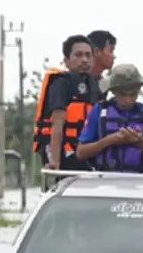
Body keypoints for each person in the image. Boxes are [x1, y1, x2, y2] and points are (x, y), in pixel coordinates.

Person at [76, 64, 143, 173]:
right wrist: (108, 141)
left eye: (133, 94)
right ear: (113, 91)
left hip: (141, 180)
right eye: (123, 94)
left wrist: (142, 143)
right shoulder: (99, 111)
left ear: (139, 89)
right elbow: (80, 153)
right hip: (105, 180)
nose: (128, 100)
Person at [32, 35, 100, 172]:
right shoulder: (61, 83)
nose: (84, 60)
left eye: (88, 55)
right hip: (64, 151)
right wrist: (55, 161)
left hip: (85, 152)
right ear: (67, 61)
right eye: (78, 55)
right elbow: (57, 123)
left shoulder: (94, 86)